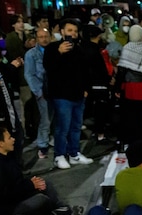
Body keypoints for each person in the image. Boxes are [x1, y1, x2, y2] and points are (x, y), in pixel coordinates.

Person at [0, 127, 77, 215]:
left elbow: (17, 182)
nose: (13, 139)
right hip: (6, 209)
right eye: (9, 138)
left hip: (17, 198)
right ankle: (60, 210)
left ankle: (62, 208)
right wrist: (30, 185)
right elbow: (4, 195)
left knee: (45, 184)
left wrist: (34, 183)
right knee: (41, 199)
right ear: (0, 143)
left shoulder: (8, 157)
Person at [43, 19, 94, 170]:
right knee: (62, 127)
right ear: (62, 32)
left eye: (75, 31)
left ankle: (74, 154)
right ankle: (59, 155)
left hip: (78, 95)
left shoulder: (79, 50)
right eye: (70, 30)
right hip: (61, 95)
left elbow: (85, 71)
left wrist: (86, 89)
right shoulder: (52, 48)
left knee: (76, 126)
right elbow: (49, 68)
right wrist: (59, 52)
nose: (73, 33)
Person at [116, 25, 142, 146]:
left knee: (129, 115)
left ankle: (130, 139)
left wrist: (117, 88)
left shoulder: (126, 48)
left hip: (130, 87)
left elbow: (121, 70)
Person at [24, 27, 52, 158]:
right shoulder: (31, 54)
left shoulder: (54, 50)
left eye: (46, 36)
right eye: (40, 37)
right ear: (36, 39)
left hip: (55, 90)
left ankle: (51, 139)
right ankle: (42, 144)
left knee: (55, 117)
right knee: (44, 119)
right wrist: (38, 91)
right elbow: (29, 74)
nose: (44, 39)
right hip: (42, 91)